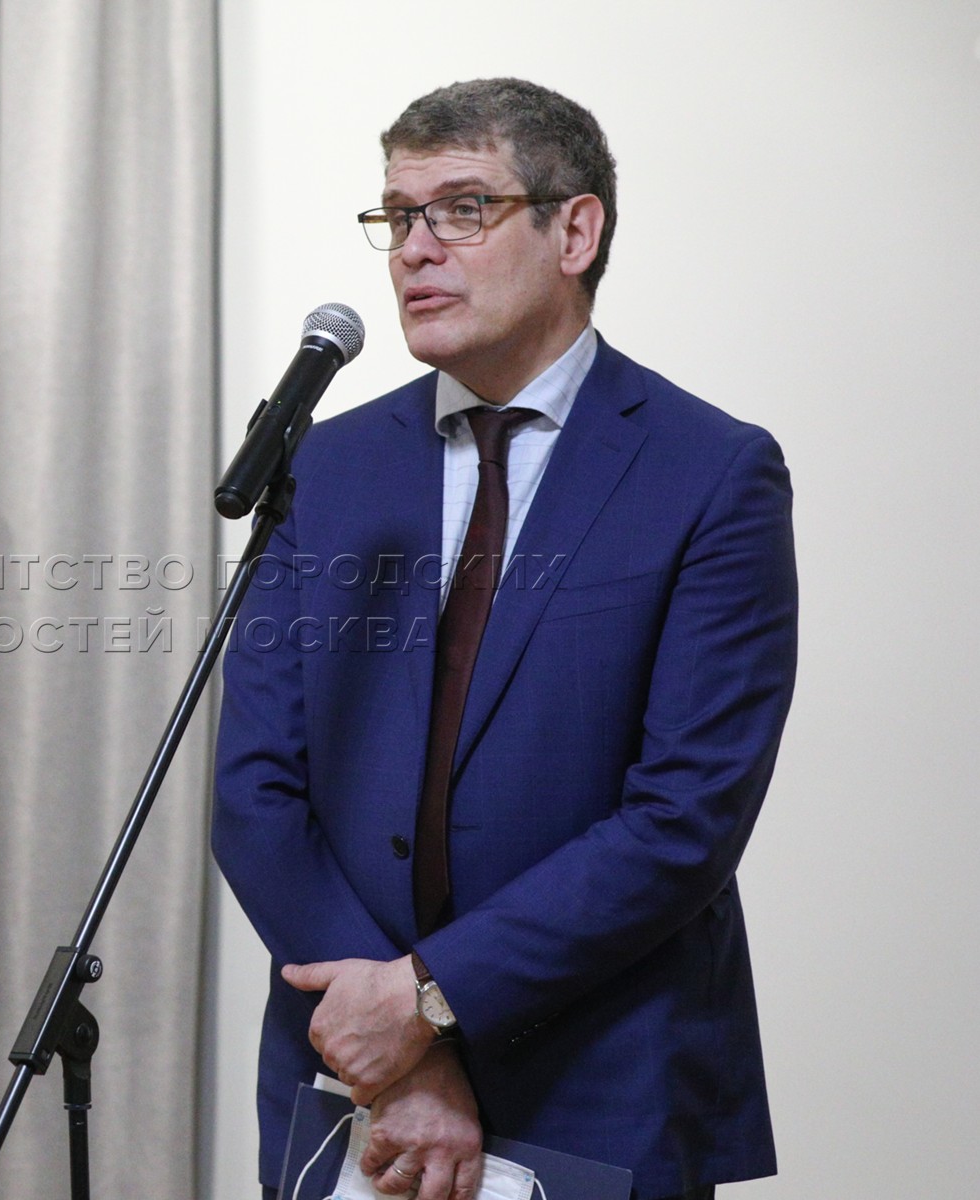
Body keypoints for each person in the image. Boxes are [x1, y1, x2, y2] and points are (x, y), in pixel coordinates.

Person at [213, 78, 796, 1200]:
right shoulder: (324, 467)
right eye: (398, 215)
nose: (414, 249)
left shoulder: (710, 473)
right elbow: (256, 786)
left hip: (600, 1074)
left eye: (463, 208)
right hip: (350, 1077)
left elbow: (685, 815)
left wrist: (429, 1002)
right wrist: (394, 1052)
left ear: (575, 231)